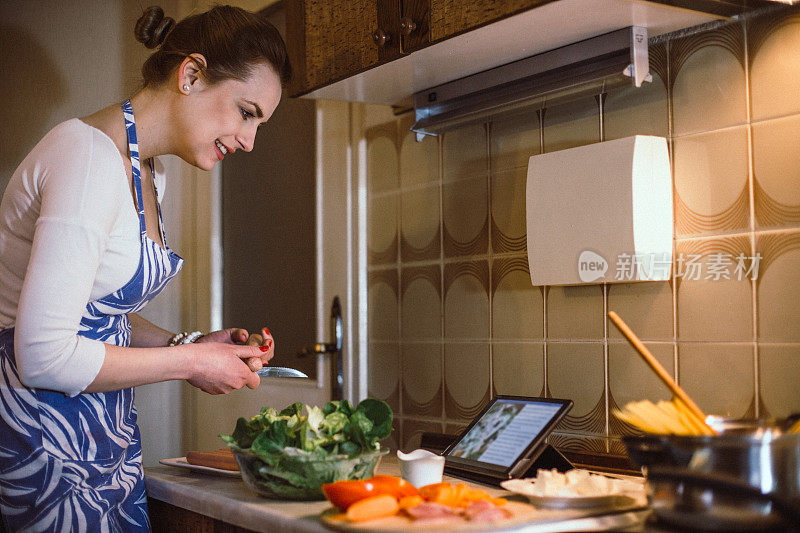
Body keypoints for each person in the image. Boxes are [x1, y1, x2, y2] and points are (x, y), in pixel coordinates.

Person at [0, 5, 291, 531]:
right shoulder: (88, 158)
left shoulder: (148, 173)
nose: (250, 141)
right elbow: (42, 356)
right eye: (247, 112)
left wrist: (191, 344)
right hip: (38, 431)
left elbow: (95, 308)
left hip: (99, 430)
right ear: (191, 74)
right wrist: (191, 364)